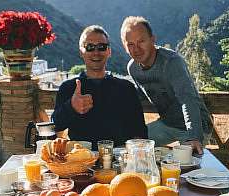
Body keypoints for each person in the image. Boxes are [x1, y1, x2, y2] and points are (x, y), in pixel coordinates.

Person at [120, 16, 213, 155]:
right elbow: (141, 94)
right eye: (131, 44)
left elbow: (187, 99)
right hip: (167, 124)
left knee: (187, 167)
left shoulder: (171, 62)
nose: (137, 49)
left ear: (152, 39)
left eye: (141, 41)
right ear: (125, 47)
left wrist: (194, 136)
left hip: (196, 126)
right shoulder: (132, 68)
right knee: (130, 146)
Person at [52, 25, 147, 149]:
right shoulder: (69, 88)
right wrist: (71, 107)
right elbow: (55, 125)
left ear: (109, 51)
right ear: (81, 51)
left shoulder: (126, 88)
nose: (96, 52)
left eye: (101, 47)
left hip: (118, 159)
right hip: (81, 159)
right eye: (90, 47)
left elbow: (139, 131)